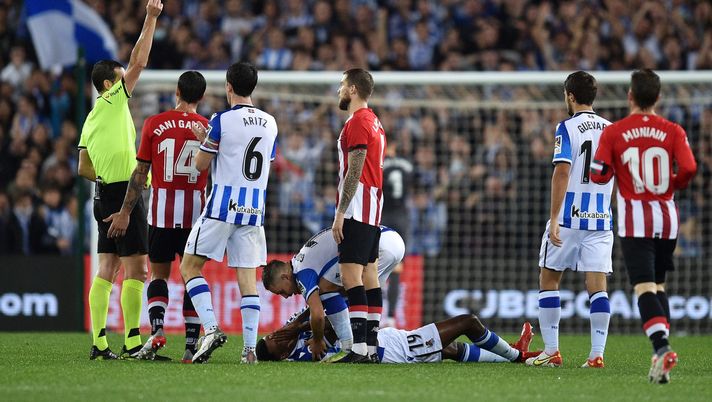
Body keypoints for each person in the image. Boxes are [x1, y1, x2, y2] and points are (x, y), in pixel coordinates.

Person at [591, 69, 697, 384]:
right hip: (667, 217)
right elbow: (690, 167)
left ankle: (662, 347)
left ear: (630, 97)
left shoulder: (615, 132)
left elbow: (598, 174)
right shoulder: (673, 130)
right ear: (658, 98)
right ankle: (659, 357)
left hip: (635, 218)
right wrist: (670, 184)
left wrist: (618, 173)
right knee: (659, 285)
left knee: (643, 288)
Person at [77, 0, 163, 360]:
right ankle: (130, 340)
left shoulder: (92, 117)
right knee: (137, 268)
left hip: (103, 194)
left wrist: (107, 180)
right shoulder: (112, 100)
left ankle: (99, 342)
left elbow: (83, 166)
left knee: (107, 268)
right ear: (110, 84)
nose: (127, 79)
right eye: (120, 76)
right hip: (123, 192)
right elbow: (140, 61)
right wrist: (150, 17)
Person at [104, 71, 209, 363]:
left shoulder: (155, 123)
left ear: (177, 91)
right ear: (201, 96)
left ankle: (158, 330)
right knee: (193, 276)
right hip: (195, 216)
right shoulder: (207, 128)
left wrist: (125, 211)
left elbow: (140, 173)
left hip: (161, 214)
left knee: (159, 275)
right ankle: (190, 345)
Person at [180, 62, 278, 364]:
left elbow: (200, 165)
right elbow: (265, 162)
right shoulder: (271, 122)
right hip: (253, 211)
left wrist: (204, 139)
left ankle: (210, 329)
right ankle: (249, 350)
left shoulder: (220, 120)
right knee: (247, 280)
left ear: (228, 87)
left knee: (189, 268)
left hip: (222, 206)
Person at [526, 71, 614, 369]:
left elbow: (562, 171)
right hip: (601, 219)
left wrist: (553, 218)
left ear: (570, 96)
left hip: (569, 217)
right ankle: (596, 354)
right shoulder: (611, 129)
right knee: (597, 286)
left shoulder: (566, 127)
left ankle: (552, 350)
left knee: (549, 278)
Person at [262, 226, 406, 360]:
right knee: (357, 295)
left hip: (378, 245)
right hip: (392, 242)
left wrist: (317, 341)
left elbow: (318, 315)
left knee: (328, 290)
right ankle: (368, 348)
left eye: (281, 291)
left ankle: (349, 348)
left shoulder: (301, 273)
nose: (286, 296)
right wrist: (298, 324)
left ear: (285, 277)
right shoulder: (302, 261)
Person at [331, 68, 387, 363]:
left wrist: (340, 213)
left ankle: (359, 349)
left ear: (353, 89)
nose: (339, 90)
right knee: (370, 275)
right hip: (374, 207)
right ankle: (373, 348)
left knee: (352, 276)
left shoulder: (357, 122)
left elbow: (355, 170)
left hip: (357, 208)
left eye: (342, 85)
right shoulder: (375, 121)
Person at [256, 308, 538, 365]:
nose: (278, 336)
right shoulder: (305, 353)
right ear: (280, 355)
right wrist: (299, 328)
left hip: (390, 341)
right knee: (468, 321)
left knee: (451, 349)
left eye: (273, 335)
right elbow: (329, 324)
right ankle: (516, 355)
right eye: (275, 341)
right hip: (398, 351)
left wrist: (295, 327)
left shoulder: (293, 342)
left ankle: (513, 353)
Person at [381, 139, 412, 328]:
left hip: (384, 216)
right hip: (402, 217)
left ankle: (373, 316)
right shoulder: (408, 165)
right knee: (396, 271)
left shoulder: (381, 163)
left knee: (375, 268)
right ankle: (391, 318)